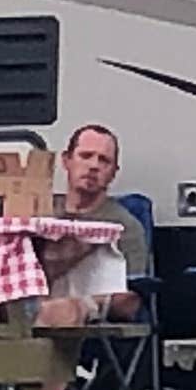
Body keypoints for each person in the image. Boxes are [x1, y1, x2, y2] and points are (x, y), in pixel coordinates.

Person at [54, 122, 150, 318]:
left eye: (104, 161)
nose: (93, 166)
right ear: (66, 161)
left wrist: (86, 306)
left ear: (114, 172)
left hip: (89, 315)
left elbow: (129, 300)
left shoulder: (125, 226)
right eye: (86, 156)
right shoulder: (43, 215)